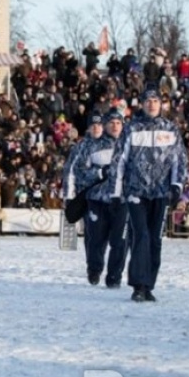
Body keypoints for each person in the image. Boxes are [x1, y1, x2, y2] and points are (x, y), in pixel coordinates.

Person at [107, 87, 187, 303]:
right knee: (140, 235)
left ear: (161, 104)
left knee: (155, 239)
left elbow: (180, 161)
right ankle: (138, 285)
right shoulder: (131, 128)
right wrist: (116, 192)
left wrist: (176, 186)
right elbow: (119, 161)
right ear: (141, 104)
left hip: (161, 193)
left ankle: (149, 284)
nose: (152, 104)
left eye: (155, 100)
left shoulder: (171, 129)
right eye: (148, 100)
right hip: (136, 191)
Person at [72, 109, 127, 288]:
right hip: (97, 200)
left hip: (122, 200)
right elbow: (80, 172)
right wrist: (99, 172)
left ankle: (114, 277)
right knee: (96, 239)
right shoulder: (92, 146)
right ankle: (94, 269)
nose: (115, 126)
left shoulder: (130, 146)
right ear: (105, 125)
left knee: (120, 241)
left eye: (118, 123)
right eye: (111, 122)